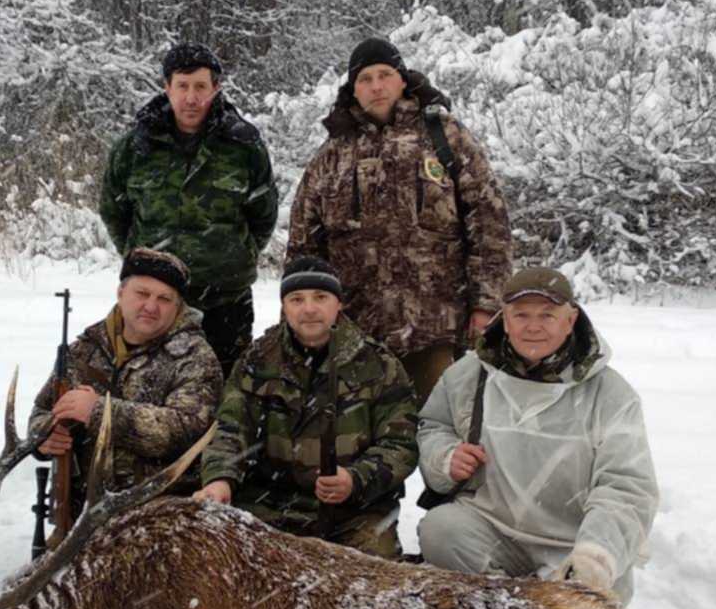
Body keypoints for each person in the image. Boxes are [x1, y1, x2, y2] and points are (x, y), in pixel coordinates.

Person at [286, 36, 517, 406]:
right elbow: (303, 248)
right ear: (353, 90)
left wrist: (486, 305)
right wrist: (302, 318)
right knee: (360, 449)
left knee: (444, 441)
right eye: (365, 79)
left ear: (402, 79)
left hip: (438, 328)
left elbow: (489, 224)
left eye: (385, 74)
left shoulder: (446, 139)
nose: (376, 86)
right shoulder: (330, 157)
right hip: (355, 335)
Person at [415, 267, 657, 604]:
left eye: (547, 315)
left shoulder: (611, 394)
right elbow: (434, 426)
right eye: (521, 314)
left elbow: (626, 486)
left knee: (598, 595)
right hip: (493, 530)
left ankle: (562, 597)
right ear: (505, 319)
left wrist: (595, 556)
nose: (533, 326)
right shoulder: (468, 375)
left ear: (570, 319)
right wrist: (445, 457)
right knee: (440, 530)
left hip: (570, 542)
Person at [195, 257, 418, 558]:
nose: (309, 308)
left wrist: (355, 479)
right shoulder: (257, 361)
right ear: (284, 306)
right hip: (267, 504)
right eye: (297, 299)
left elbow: (400, 445)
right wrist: (220, 479)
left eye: (320, 297)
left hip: (354, 511)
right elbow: (231, 429)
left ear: (338, 304)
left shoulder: (379, 365)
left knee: (375, 578)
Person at [99, 42, 278, 371]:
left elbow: (263, 215)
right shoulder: (135, 147)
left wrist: (233, 257)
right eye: (182, 86)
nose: (191, 98)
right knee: (148, 394)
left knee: (225, 397)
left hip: (226, 301)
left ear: (216, 88)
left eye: (200, 86)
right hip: (154, 302)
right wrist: (142, 260)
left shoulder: (244, 146)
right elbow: (114, 209)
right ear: (167, 87)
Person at [29, 248, 223, 520]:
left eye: (164, 298)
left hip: (159, 516)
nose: (151, 306)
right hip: (82, 515)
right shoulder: (83, 351)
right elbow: (42, 410)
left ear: (178, 306)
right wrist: (45, 436)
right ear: (121, 293)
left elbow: (185, 430)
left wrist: (99, 412)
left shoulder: (195, 357)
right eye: (142, 294)